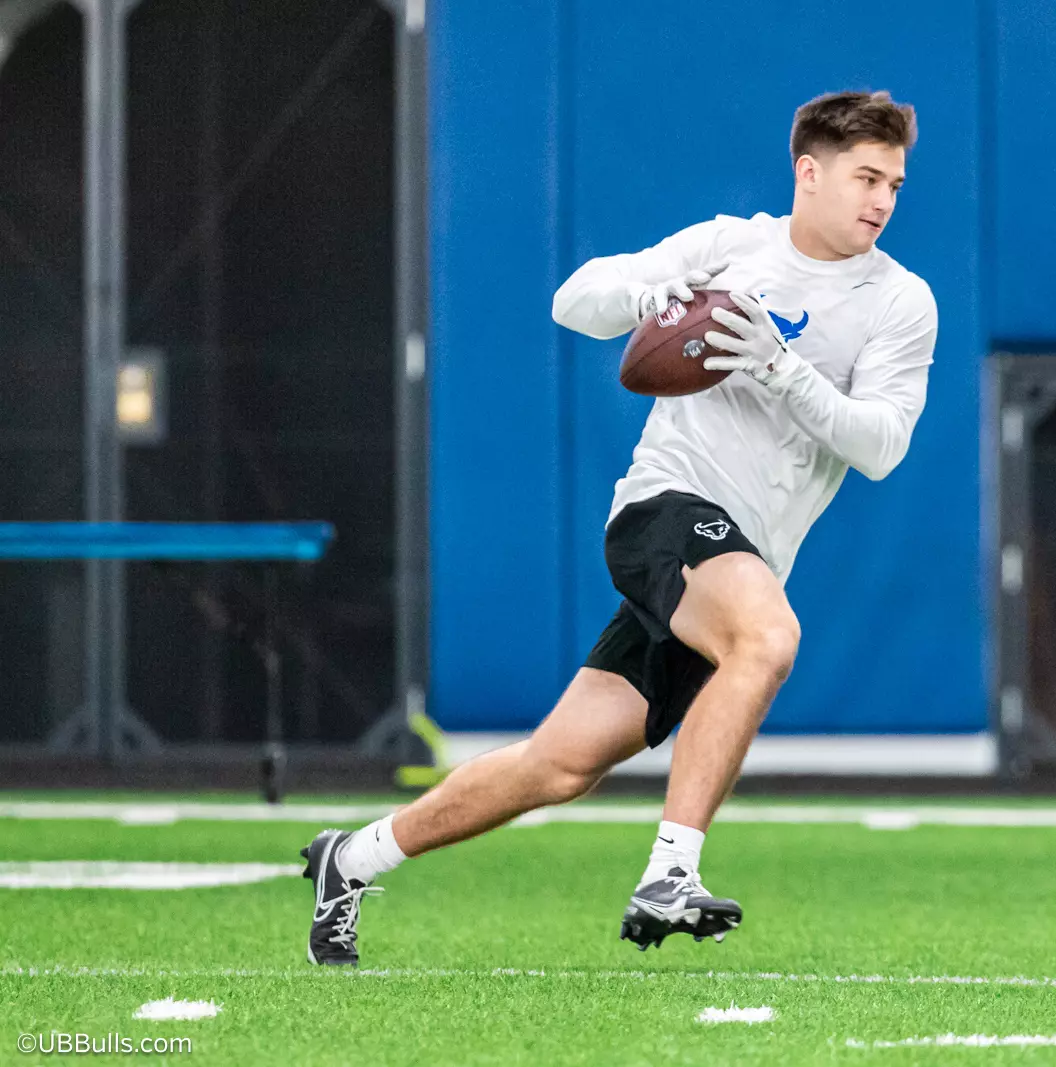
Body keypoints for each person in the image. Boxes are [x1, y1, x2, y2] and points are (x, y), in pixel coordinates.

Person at [300, 89, 937, 965]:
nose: (882, 201)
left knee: (559, 765)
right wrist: (648, 292)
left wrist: (783, 370)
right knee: (769, 639)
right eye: (867, 177)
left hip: (742, 555)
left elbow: (882, 448)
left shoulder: (901, 301)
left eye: (895, 185)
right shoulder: (731, 246)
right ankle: (671, 870)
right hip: (665, 511)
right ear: (809, 172)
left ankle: (353, 856)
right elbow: (575, 299)